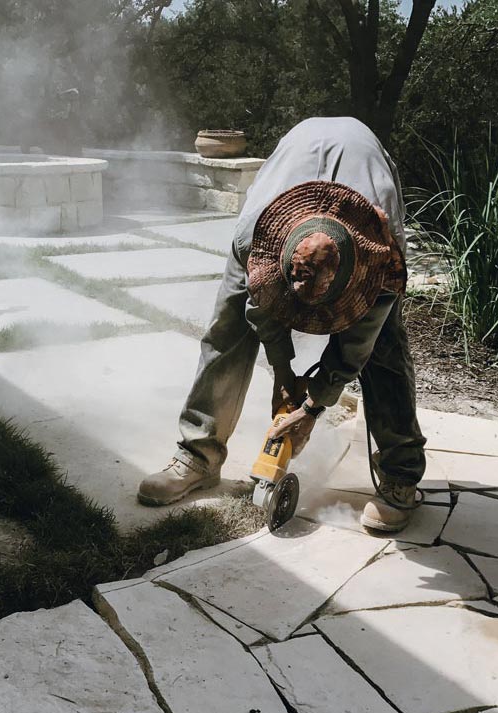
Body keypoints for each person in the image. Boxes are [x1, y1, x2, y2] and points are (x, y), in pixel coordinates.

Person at [137, 117, 427, 532]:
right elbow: (257, 310)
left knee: (383, 348)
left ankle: (401, 474)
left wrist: (313, 406)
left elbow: (356, 344)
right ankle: (197, 455)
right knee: (227, 330)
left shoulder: (380, 256)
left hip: (363, 165)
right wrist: (284, 374)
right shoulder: (255, 237)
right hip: (297, 158)